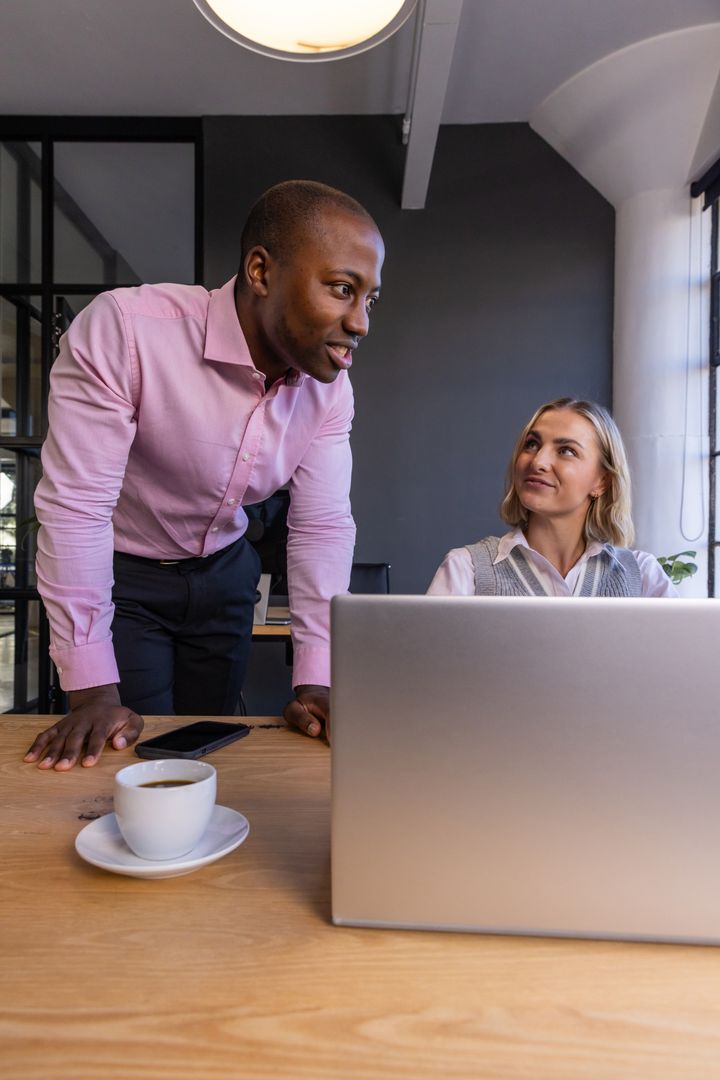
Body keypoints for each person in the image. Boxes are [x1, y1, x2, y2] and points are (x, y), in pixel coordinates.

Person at [25, 180, 385, 770]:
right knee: (132, 758)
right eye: (343, 289)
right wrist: (91, 689)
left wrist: (316, 678)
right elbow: (77, 508)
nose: (361, 322)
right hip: (125, 578)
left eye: (370, 299)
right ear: (261, 271)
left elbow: (321, 525)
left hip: (224, 576)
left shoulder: (331, 389)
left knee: (210, 749)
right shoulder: (127, 331)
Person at [427, 397, 677, 598]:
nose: (538, 461)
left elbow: (687, 658)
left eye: (566, 451)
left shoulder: (643, 576)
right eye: (532, 444)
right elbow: (427, 660)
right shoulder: (465, 570)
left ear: (602, 482)